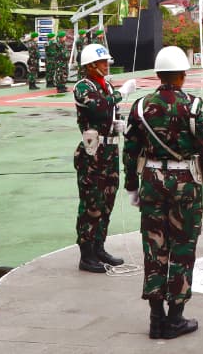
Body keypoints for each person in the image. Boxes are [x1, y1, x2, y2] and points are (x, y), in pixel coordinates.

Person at [122, 46, 203, 339]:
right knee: (182, 248)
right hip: (185, 184)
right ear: (182, 75)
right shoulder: (194, 106)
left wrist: (131, 185)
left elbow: (130, 150)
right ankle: (175, 318)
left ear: (157, 74)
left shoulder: (140, 107)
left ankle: (156, 318)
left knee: (154, 248)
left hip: (151, 181)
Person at [73, 42, 138, 275]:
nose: (106, 65)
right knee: (92, 203)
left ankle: (99, 247)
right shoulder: (83, 87)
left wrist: (117, 124)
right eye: (102, 62)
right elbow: (99, 107)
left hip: (109, 151)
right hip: (93, 153)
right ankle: (86, 254)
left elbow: (109, 112)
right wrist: (123, 93)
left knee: (107, 201)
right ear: (91, 65)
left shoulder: (106, 85)